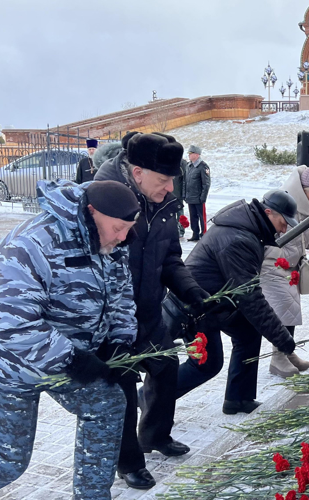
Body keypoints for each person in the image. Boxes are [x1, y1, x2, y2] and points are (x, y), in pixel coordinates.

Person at [0, 179, 141, 499]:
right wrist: (73, 359)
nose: (123, 237)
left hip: (66, 359)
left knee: (107, 405)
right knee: (4, 462)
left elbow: (121, 298)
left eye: (129, 228)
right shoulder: (30, 244)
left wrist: (120, 342)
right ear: (91, 212)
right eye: (117, 228)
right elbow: (13, 326)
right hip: (5, 367)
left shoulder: (110, 244)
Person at [94, 132, 209, 490]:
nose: (171, 188)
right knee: (125, 388)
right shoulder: (105, 200)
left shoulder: (163, 204)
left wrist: (194, 294)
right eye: (163, 180)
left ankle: (155, 435)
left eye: (173, 179)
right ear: (137, 172)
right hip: (112, 318)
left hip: (148, 309)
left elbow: (170, 258)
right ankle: (128, 461)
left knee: (166, 365)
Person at [175, 190, 298, 413]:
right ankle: (150, 396)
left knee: (248, 333)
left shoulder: (247, 231)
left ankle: (238, 399)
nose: (284, 228)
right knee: (206, 364)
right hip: (195, 305)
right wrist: (283, 339)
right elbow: (250, 297)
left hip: (218, 303)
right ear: (268, 212)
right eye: (283, 222)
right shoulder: (238, 239)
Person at [261, 166, 309, 378]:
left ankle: (287, 352)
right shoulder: (284, 203)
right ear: (305, 189)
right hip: (273, 265)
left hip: (293, 268)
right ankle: (278, 358)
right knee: (283, 310)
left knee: (291, 312)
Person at [184, 145, 211, 240]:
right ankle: (195, 234)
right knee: (193, 217)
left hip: (199, 197)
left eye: (190, 154)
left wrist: (203, 197)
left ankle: (204, 234)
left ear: (196, 154)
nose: (189, 155)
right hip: (190, 197)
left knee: (201, 217)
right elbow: (185, 181)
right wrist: (185, 194)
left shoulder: (203, 166)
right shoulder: (189, 166)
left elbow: (206, 183)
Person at [174, 157, 187, 238]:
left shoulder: (182, 163)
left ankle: (181, 230)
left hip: (178, 193)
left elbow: (185, 180)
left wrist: (184, 193)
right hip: (169, 193)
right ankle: (174, 230)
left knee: (180, 213)